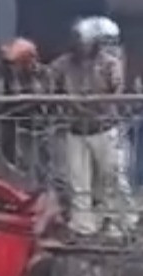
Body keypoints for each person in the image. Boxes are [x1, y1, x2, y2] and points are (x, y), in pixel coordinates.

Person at [49, 17, 135, 237]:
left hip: (104, 128)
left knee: (113, 178)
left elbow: (116, 91)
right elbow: (47, 82)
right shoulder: (63, 64)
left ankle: (121, 222)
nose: (80, 44)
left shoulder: (108, 62)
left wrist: (93, 105)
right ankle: (83, 225)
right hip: (76, 130)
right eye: (77, 39)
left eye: (84, 40)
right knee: (79, 183)